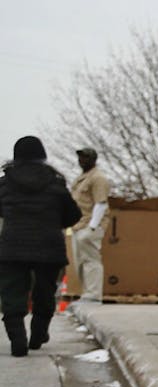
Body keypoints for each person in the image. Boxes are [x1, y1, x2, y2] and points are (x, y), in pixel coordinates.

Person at [0, 137, 82, 356]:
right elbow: (73, 215)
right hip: (49, 246)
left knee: (12, 293)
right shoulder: (56, 182)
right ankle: (38, 334)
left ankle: (17, 339)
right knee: (45, 291)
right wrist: (55, 222)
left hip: (12, 247)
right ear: (42, 155)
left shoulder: (5, 183)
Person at [70, 146, 110, 302]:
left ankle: (93, 294)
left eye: (85, 157)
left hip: (90, 224)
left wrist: (93, 226)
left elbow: (101, 203)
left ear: (93, 159)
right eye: (80, 157)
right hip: (78, 225)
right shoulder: (82, 178)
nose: (82, 160)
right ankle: (87, 292)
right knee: (80, 262)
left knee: (91, 260)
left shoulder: (98, 178)